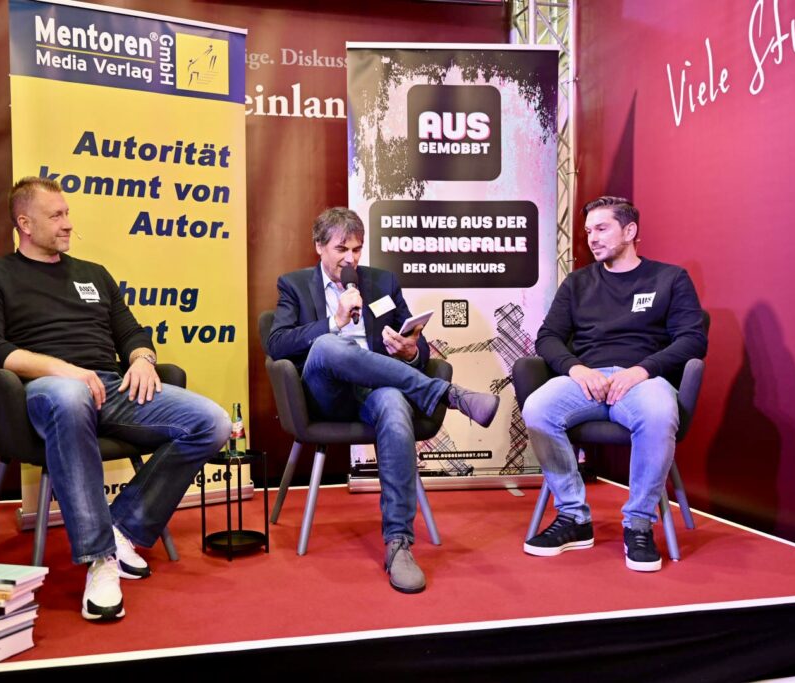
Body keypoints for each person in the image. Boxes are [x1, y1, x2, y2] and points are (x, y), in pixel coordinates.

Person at [0, 177, 230, 620]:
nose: (68, 224)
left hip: (111, 387)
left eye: (67, 213)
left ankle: (123, 527)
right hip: (47, 392)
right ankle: (99, 558)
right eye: (56, 215)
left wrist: (141, 358)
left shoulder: (93, 274)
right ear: (24, 223)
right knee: (69, 395)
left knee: (212, 422)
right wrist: (59, 368)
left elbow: (132, 332)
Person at [267, 207, 499, 594]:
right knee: (328, 345)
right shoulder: (293, 285)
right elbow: (275, 343)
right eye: (342, 248)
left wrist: (409, 351)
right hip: (324, 396)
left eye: (357, 249)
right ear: (319, 247)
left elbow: (418, 344)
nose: (351, 258)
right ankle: (446, 395)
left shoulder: (382, 282)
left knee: (393, 404)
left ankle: (399, 542)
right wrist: (334, 322)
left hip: (376, 391)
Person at [521, 196, 707, 572]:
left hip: (643, 380)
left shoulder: (670, 279)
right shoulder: (577, 283)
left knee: (658, 413)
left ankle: (638, 524)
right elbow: (548, 338)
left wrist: (642, 369)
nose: (592, 238)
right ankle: (574, 516)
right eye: (588, 230)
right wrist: (575, 369)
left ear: (630, 230)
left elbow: (693, 339)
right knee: (537, 409)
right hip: (586, 380)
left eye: (602, 228)